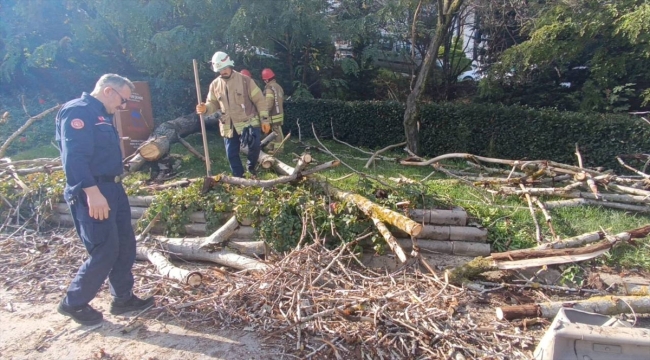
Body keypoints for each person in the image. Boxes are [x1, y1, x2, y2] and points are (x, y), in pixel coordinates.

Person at [55, 74, 154, 326]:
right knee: (105, 249)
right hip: (94, 191)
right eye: (122, 100)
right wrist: (92, 193)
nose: (122, 106)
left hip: (113, 188)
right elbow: (74, 159)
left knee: (125, 244)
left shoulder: (101, 114)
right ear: (109, 91)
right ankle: (73, 303)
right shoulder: (78, 112)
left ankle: (122, 298)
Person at [196, 51, 269, 177]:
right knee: (231, 154)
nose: (223, 72)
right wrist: (205, 108)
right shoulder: (215, 85)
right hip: (228, 125)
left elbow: (260, 100)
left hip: (248, 123)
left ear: (230, 65)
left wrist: (265, 120)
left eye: (224, 68)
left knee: (255, 147)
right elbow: (212, 104)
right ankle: (239, 177)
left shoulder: (245, 81)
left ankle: (251, 168)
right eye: (220, 69)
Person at [261, 68, 285, 152]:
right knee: (274, 130)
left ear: (267, 79)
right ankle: (271, 146)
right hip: (279, 112)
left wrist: (265, 114)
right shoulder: (278, 86)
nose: (264, 81)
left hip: (273, 113)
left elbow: (269, 103)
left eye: (264, 80)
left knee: (276, 131)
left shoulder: (269, 88)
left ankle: (278, 149)